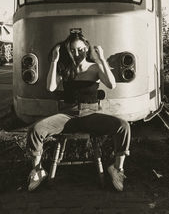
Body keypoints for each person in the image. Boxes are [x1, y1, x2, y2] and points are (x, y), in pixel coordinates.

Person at [26, 31, 131, 192]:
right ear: (68, 51)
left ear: (86, 48)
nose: (77, 53)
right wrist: (54, 61)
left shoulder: (95, 67)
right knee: (35, 129)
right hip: (67, 116)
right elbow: (50, 87)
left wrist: (101, 59)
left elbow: (112, 84)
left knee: (123, 126)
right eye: (73, 50)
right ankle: (38, 170)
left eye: (81, 49)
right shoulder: (65, 68)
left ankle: (117, 169)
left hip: (91, 115)